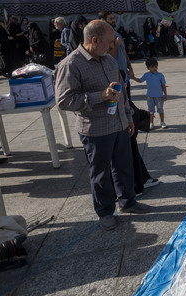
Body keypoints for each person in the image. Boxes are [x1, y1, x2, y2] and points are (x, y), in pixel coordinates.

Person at [55, 20, 151, 231]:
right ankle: (105, 212)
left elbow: (121, 91)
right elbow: (64, 100)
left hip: (119, 124)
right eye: (108, 42)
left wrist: (128, 116)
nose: (111, 46)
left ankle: (128, 202)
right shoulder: (71, 64)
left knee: (124, 166)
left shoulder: (108, 60)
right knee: (100, 173)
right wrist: (99, 96)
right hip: (95, 130)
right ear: (94, 40)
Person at [132, 57, 168, 129]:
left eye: (156, 66)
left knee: (160, 109)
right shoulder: (146, 75)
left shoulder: (160, 75)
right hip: (150, 96)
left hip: (159, 96)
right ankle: (151, 123)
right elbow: (140, 80)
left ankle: (162, 122)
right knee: (151, 111)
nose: (155, 68)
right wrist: (133, 78)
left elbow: (163, 85)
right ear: (148, 68)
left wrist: (165, 94)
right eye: (152, 67)